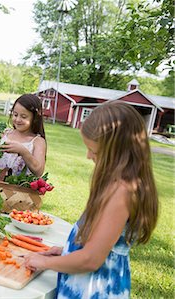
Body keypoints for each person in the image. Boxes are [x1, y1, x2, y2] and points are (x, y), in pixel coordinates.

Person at [24, 101, 159, 298]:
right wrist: (65, 252)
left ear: (118, 152)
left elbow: (91, 259)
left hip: (96, 289)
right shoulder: (117, 184)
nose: (88, 156)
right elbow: (102, 244)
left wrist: (44, 263)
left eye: (94, 151)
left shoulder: (122, 192)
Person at [0, 94, 46, 177]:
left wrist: (23, 152)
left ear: (35, 118)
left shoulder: (37, 141)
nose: (18, 119)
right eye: (15, 115)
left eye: (23, 117)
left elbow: (39, 171)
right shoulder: (4, 134)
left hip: (19, 189)